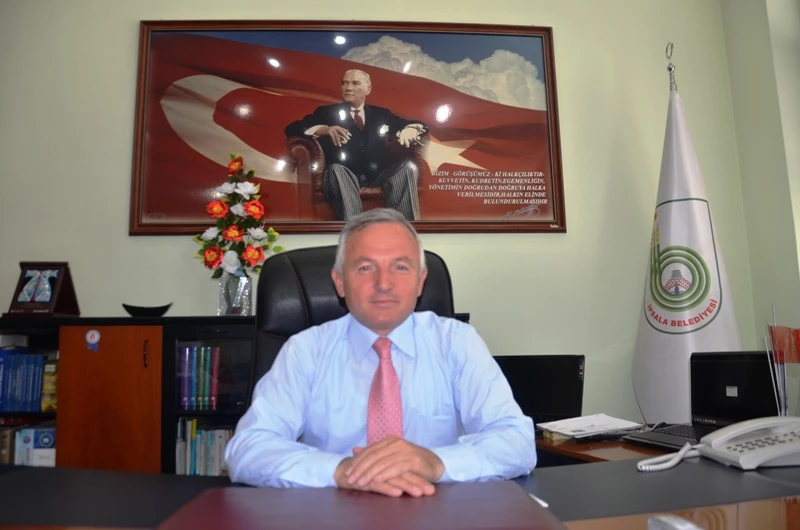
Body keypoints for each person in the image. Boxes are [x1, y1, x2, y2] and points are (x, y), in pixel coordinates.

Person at [224, 208, 537, 496]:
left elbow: (516, 442)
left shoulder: (456, 343)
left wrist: (434, 462)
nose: (383, 283)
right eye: (365, 268)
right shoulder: (305, 351)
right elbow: (248, 448)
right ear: (340, 282)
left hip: (437, 511)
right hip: (332, 515)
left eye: (400, 267)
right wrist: (344, 470)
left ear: (420, 281)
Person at [284, 69, 426, 222]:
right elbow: (292, 128)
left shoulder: (381, 114)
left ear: (368, 89)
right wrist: (324, 129)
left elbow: (417, 124)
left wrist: (411, 129)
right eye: (344, 83)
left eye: (355, 83)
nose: (348, 88)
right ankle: (356, 228)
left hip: (376, 177)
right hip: (341, 177)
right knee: (336, 169)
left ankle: (404, 228)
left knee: (407, 168)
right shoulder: (326, 112)